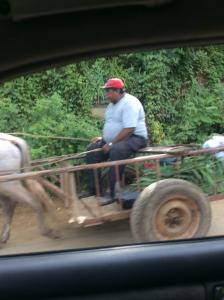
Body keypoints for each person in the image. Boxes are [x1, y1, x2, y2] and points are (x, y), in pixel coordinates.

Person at [83, 78, 148, 205]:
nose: (106, 95)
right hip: (116, 140)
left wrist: (111, 144)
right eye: (106, 91)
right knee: (92, 151)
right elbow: (112, 124)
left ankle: (112, 194)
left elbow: (129, 129)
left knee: (116, 151)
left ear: (118, 91)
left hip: (135, 138)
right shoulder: (111, 105)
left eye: (108, 91)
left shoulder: (130, 103)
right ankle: (94, 190)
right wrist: (103, 139)